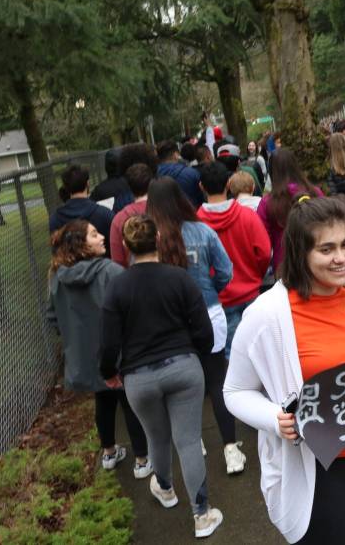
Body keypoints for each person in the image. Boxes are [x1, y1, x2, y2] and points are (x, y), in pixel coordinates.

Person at [223, 197, 345, 544]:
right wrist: (274, 418)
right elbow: (234, 391)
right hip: (312, 463)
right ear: (301, 253)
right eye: (326, 249)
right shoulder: (267, 314)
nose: (341, 257)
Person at [100, 215, 223, 538]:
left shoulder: (116, 287)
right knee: (188, 440)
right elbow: (204, 332)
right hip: (183, 366)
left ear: (125, 245)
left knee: (156, 437)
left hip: (139, 377)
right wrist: (195, 355)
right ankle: (202, 515)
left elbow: (109, 342)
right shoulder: (180, 278)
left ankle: (166, 488)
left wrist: (109, 373)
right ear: (157, 239)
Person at [147, 177, 246, 474]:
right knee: (217, 381)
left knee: (182, 389)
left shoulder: (149, 240)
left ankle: (195, 443)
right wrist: (211, 292)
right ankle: (231, 450)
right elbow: (226, 271)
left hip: (169, 322)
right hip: (209, 314)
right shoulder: (203, 231)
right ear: (181, 199)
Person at [46, 220, 150, 478]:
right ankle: (141, 459)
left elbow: (51, 317)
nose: (102, 236)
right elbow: (133, 306)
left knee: (103, 400)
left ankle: (109, 453)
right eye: (93, 235)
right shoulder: (110, 272)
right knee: (129, 402)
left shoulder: (58, 277)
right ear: (80, 244)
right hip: (118, 351)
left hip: (84, 356)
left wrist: (73, 335)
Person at [197, 162, 272, 356]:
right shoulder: (247, 216)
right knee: (261, 352)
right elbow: (265, 252)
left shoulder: (195, 225)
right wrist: (255, 274)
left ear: (201, 186)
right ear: (229, 184)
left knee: (233, 355)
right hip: (251, 292)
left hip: (220, 300)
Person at [258, 149, 324, 275]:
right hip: (315, 259)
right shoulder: (315, 193)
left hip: (283, 264)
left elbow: (262, 240)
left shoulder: (268, 202)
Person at [50, 165, 114, 251]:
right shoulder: (105, 214)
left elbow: (56, 249)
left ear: (65, 187)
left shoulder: (55, 219)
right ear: (88, 183)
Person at [110, 164, 153, 267]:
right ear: (151, 183)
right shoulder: (163, 210)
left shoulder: (119, 219)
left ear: (129, 186)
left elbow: (118, 261)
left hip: (131, 273)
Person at [157, 140, 205, 207]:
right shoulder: (191, 173)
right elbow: (202, 199)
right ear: (175, 154)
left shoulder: (152, 176)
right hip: (191, 211)